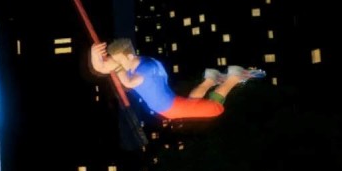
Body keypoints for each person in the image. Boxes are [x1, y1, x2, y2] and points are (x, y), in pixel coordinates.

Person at [89, 39, 262, 120]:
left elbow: (127, 82)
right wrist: (94, 52)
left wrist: (117, 67)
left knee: (215, 109)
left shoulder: (143, 72)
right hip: (171, 104)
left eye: (119, 62)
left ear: (129, 56)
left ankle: (234, 77)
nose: (118, 65)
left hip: (171, 108)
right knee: (193, 101)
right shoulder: (137, 62)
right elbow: (102, 68)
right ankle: (210, 79)